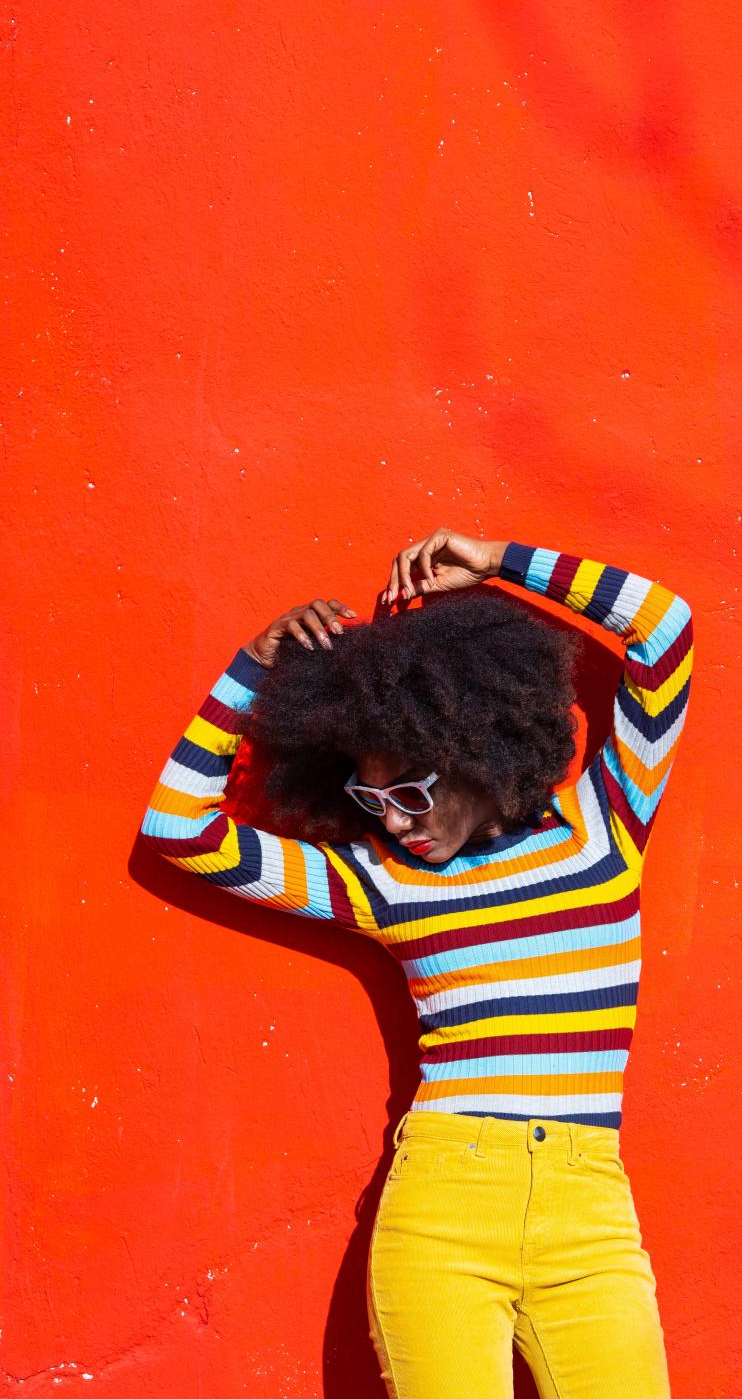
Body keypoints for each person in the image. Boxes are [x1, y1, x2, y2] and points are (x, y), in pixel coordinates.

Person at [140, 526, 695, 1399]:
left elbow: (664, 630)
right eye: (369, 796)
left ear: (475, 749)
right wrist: (251, 668)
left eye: (410, 790)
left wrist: (500, 562)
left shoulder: (606, 827)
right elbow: (180, 830)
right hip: (442, 1201)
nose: (393, 819)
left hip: (590, 1207)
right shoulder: (383, 882)